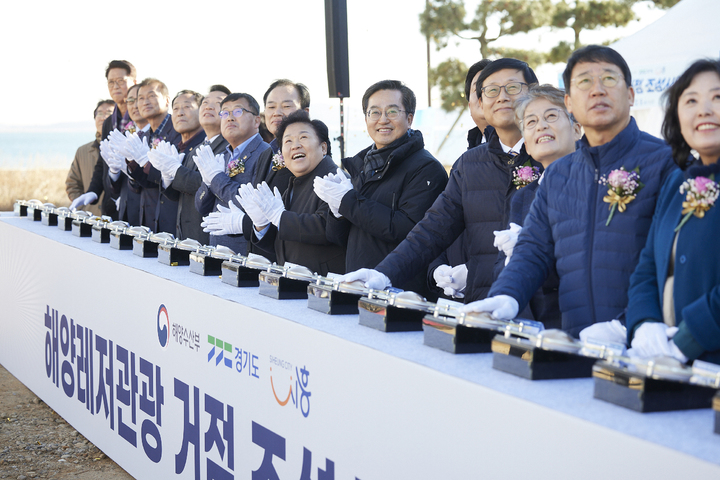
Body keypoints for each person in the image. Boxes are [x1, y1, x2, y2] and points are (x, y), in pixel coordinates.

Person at [461, 45, 677, 338]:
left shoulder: (665, 161)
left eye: (609, 80)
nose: (597, 90)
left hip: (646, 340)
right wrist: (507, 295)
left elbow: (671, 261)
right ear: (571, 103)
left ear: (630, 95)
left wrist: (629, 324)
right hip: (577, 340)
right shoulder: (558, 175)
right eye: (584, 82)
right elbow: (534, 248)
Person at [336, 61, 540, 301]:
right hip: (484, 304)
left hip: (542, 302)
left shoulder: (555, 155)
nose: (502, 97)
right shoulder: (468, 165)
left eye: (513, 87)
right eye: (492, 90)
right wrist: (382, 275)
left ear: (534, 92)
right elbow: (431, 230)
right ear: (480, 102)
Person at [625, 59, 720, 364]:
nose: (704, 109)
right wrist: (643, 323)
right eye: (691, 100)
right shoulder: (677, 183)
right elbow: (649, 264)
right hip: (665, 362)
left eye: (718, 97)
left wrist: (687, 340)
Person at [315, 80, 448, 296]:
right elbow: (338, 237)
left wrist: (348, 201)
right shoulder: (363, 165)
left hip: (400, 291)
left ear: (410, 118)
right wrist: (337, 211)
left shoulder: (426, 168)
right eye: (374, 112)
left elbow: (409, 229)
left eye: (392, 111)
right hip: (357, 284)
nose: (383, 120)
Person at [490, 84, 582, 327]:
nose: (541, 125)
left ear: (577, 129)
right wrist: (512, 256)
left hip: (572, 326)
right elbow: (500, 268)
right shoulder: (522, 197)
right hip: (525, 325)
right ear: (527, 145)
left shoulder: (594, 185)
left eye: (551, 116)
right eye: (530, 122)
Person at [222, 111, 345, 275]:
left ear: (323, 147)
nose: (295, 145)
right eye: (288, 141)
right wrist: (262, 225)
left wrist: (280, 217)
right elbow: (281, 243)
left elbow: (328, 229)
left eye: (303, 138)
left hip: (320, 285)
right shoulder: (296, 182)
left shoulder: (334, 180)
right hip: (291, 282)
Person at [428, 58, 492, 300]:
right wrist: (437, 268)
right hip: (458, 297)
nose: (487, 95)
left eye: (495, 87)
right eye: (480, 88)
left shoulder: (533, 157)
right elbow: (439, 225)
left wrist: (476, 272)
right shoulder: (464, 161)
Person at [150, 85, 230, 243]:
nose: (209, 106)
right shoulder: (198, 148)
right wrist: (167, 178)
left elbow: (210, 185)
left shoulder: (229, 147)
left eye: (218, 102)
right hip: (186, 237)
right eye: (205, 102)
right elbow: (177, 194)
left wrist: (176, 170)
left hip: (209, 240)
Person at [194, 93, 269, 254]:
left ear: (257, 121)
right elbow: (201, 207)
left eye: (238, 112)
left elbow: (253, 204)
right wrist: (208, 183)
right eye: (225, 113)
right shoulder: (223, 155)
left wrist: (216, 178)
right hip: (216, 249)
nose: (230, 118)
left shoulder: (265, 154)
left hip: (246, 253)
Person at [70, 60, 137, 217]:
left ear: (134, 82)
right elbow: (102, 162)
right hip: (111, 203)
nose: (115, 86)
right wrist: (93, 191)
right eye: (111, 82)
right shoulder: (109, 122)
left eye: (121, 81)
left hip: (136, 203)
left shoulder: (141, 117)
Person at [122, 78, 181, 232]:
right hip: (149, 218)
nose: (144, 102)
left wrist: (144, 163)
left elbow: (170, 180)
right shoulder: (145, 135)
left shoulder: (177, 131)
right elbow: (147, 182)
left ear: (167, 100)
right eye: (140, 98)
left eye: (151, 96)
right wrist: (131, 164)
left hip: (172, 219)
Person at [65, 100, 115, 216]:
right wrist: (83, 206)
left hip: (115, 220)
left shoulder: (122, 149)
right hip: (88, 217)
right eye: (100, 113)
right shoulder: (82, 151)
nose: (103, 117)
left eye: (109, 113)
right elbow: (72, 184)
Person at [108, 83, 148, 226]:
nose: (135, 105)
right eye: (130, 100)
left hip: (148, 215)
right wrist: (114, 172)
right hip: (125, 211)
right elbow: (114, 189)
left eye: (139, 99)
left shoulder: (158, 137)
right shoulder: (123, 136)